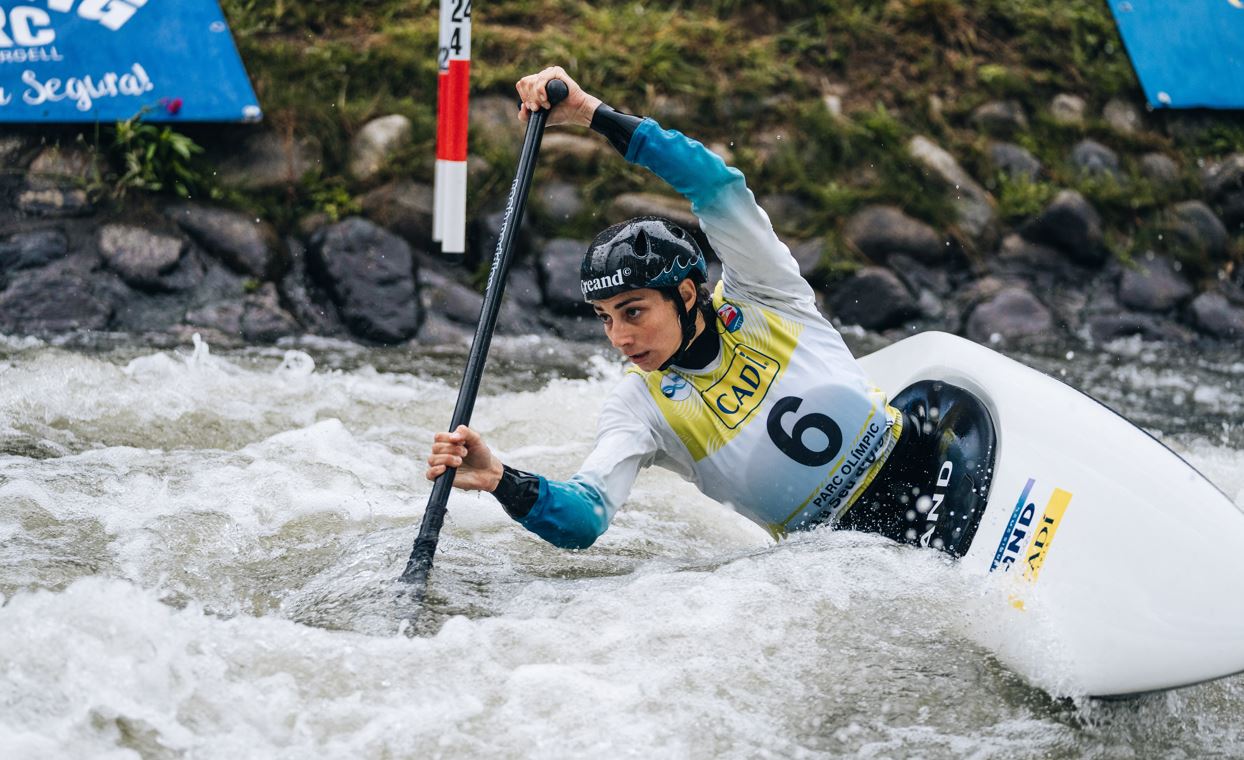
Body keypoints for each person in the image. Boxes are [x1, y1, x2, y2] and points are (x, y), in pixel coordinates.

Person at [426, 66, 996, 556]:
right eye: (605, 317)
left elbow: (713, 184)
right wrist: (502, 480)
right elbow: (584, 519)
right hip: (844, 551)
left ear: (687, 294)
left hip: (930, 465)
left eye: (632, 311)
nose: (619, 337)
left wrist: (590, 113)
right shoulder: (640, 406)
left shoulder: (765, 292)